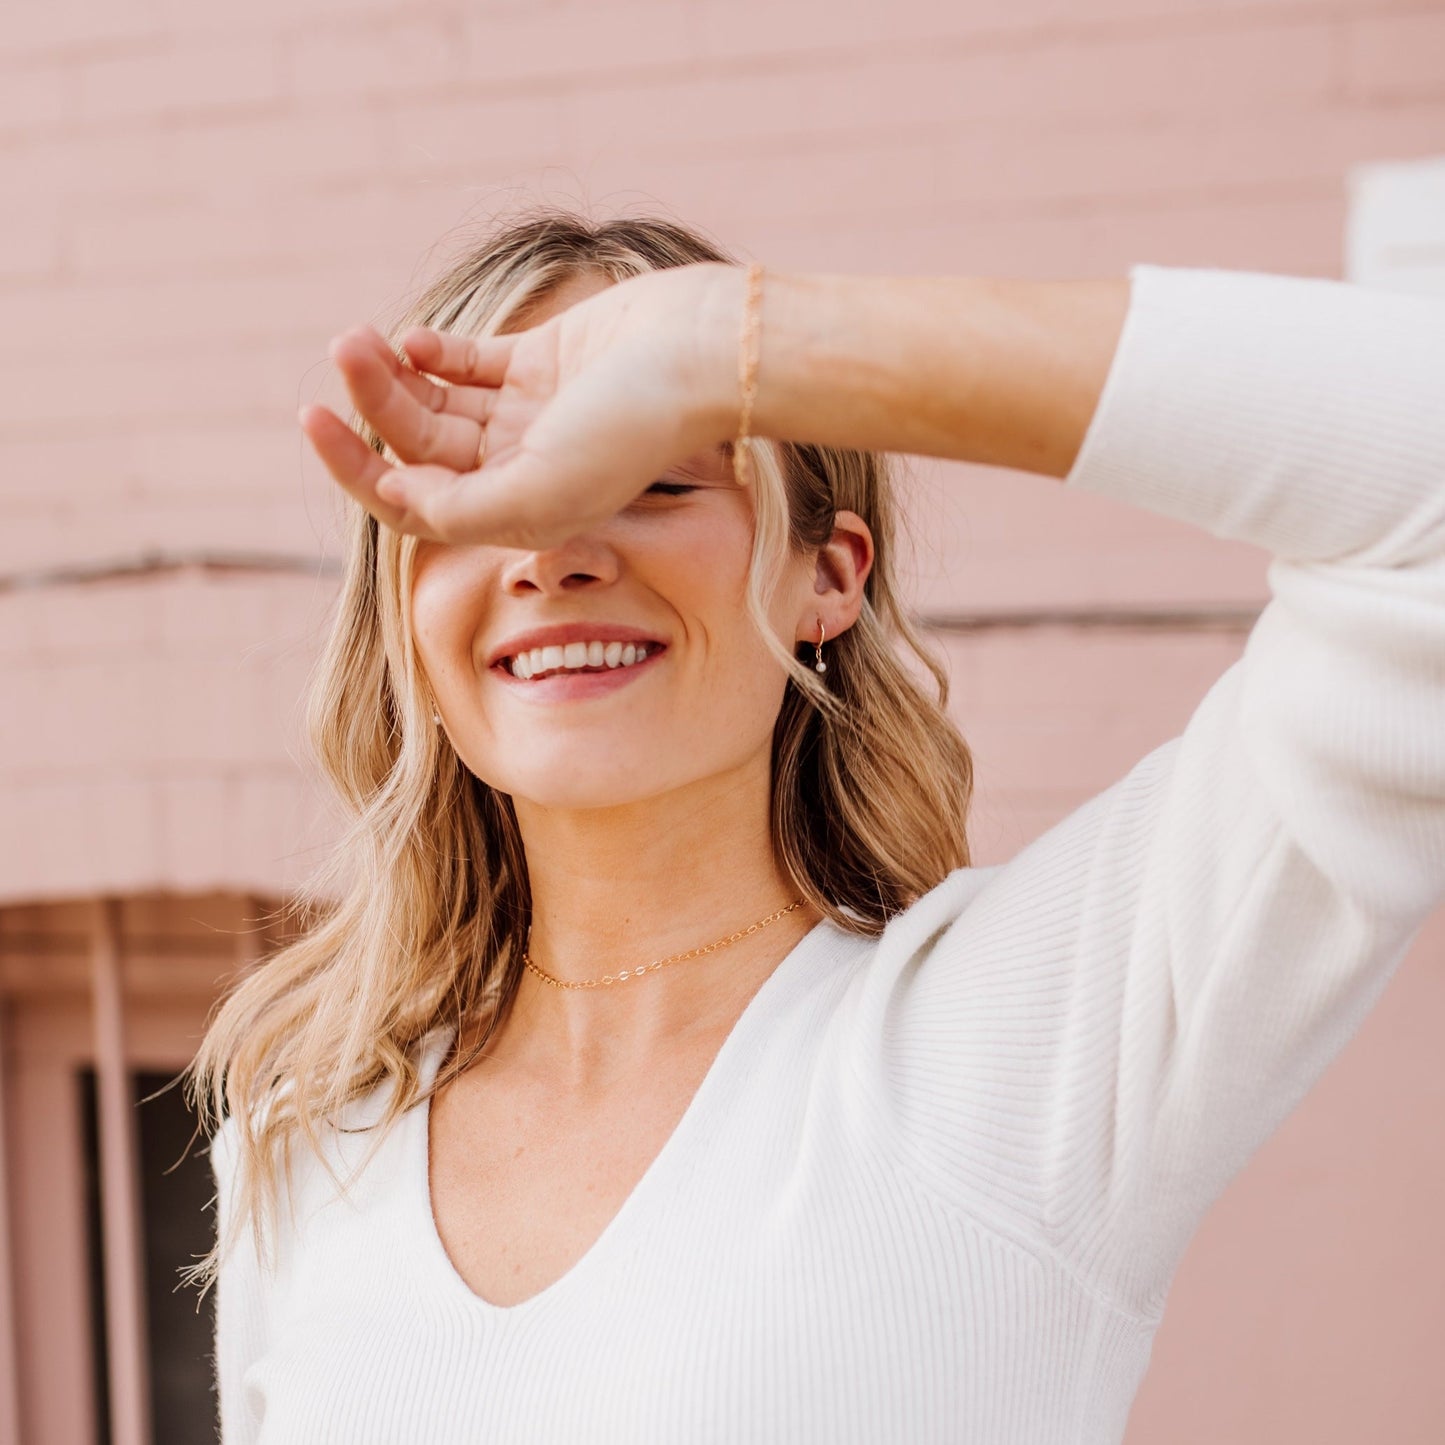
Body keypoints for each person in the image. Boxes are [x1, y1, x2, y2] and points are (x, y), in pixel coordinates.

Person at [190, 210, 1445, 1444]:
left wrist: (735, 340)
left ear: (827, 576)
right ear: (402, 612)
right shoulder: (307, 1144)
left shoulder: (1006, 1048)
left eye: (653, 478)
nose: (549, 552)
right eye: (474, 496)